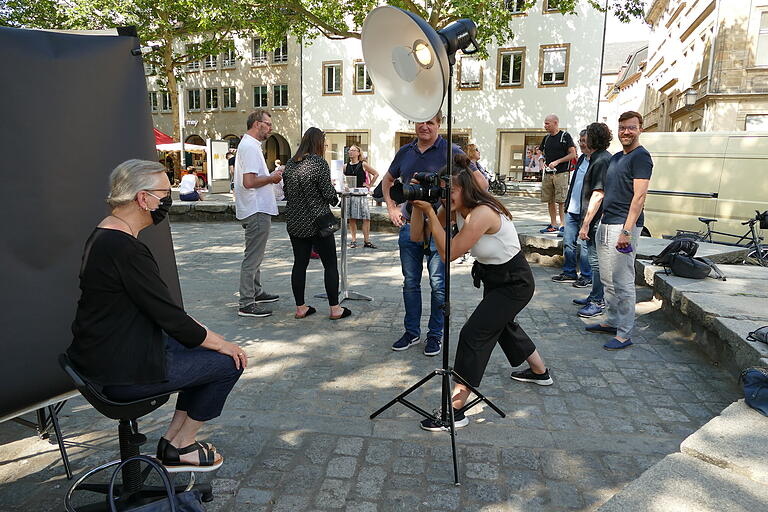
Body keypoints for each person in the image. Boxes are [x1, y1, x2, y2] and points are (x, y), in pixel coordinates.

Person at [67, 159, 246, 471]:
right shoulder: (124, 248)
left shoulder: (105, 233)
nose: (167, 200)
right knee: (227, 362)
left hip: (103, 359)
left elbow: (156, 309)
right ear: (142, 198)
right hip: (118, 373)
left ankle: (173, 444)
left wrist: (200, 335)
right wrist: (224, 344)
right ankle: (181, 445)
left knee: (200, 348)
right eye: (164, 193)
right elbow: (170, 317)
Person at [409, 154, 553, 431]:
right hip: (493, 278)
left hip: (515, 282)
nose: (445, 194)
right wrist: (419, 206)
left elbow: (448, 252)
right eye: (442, 188)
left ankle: (455, 410)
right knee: (502, 325)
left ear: (465, 187)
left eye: (450, 190)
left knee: (474, 333)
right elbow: (418, 237)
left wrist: (431, 213)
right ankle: (540, 371)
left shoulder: (482, 212)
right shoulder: (454, 208)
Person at [382, 110, 487, 357]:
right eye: (421, 122)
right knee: (410, 283)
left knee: (439, 284)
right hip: (411, 224)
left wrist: (457, 208)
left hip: (440, 226)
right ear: (414, 123)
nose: (425, 127)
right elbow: (387, 180)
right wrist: (392, 207)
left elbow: (481, 183)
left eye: (430, 122)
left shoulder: (453, 151)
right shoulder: (405, 152)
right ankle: (411, 332)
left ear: (439, 124)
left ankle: (435, 335)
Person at [581, 112, 652, 350]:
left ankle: (624, 333)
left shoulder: (641, 157)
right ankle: (611, 321)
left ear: (640, 129)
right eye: (622, 128)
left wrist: (627, 231)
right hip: (606, 223)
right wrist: (589, 222)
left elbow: (639, 197)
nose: (626, 132)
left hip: (623, 225)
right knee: (607, 278)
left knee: (623, 281)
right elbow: (602, 193)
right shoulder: (617, 158)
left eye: (631, 128)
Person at [282, 127, 351, 320]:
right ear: (318, 143)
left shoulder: (290, 163)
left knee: (299, 264)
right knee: (330, 264)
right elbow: (329, 196)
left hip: (295, 222)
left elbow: (287, 193)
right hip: (318, 222)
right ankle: (335, 309)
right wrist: (333, 191)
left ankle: (300, 307)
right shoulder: (318, 163)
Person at [234, 110, 282, 318]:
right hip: (256, 208)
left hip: (253, 207)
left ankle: (256, 291)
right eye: (268, 124)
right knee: (253, 257)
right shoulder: (251, 148)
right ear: (256, 124)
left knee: (255, 254)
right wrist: (272, 178)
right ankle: (246, 302)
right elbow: (249, 182)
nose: (270, 128)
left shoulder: (248, 146)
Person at [575, 122, 613, 319]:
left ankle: (598, 300)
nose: (584, 139)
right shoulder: (599, 158)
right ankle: (594, 296)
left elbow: (598, 194)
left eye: (587, 136)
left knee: (596, 262)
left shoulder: (600, 161)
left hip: (596, 220)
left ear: (593, 138)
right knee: (594, 260)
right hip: (595, 218)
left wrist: (586, 224)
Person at [552, 130, 591, 286]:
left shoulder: (599, 161)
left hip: (586, 211)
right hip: (572, 209)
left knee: (586, 246)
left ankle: (587, 276)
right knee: (568, 242)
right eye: (580, 140)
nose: (581, 144)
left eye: (584, 140)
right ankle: (569, 272)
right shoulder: (581, 159)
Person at [539, 114, 577, 233]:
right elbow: (540, 151)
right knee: (550, 199)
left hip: (561, 173)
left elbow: (572, 154)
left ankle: (563, 225)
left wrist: (557, 162)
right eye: (545, 123)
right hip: (548, 173)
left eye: (547, 123)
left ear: (555, 123)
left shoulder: (565, 136)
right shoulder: (546, 138)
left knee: (561, 200)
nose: (545, 126)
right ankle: (553, 224)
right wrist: (541, 161)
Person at [344, 144, 379, 248]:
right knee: (352, 218)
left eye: (354, 150)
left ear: (358, 153)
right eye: (350, 150)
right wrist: (344, 185)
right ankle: (353, 240)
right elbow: (341, 178)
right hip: (351, 194)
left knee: (366, 218)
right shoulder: (346, 166)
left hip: (362, 194)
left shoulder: (363, 164)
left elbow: (376, 174)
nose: (351, 152)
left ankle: (366, 241)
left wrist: (369, 185)